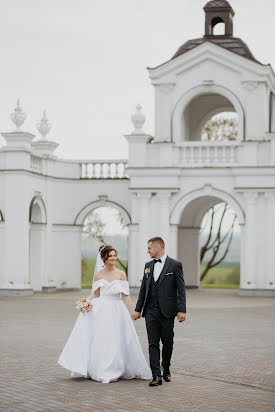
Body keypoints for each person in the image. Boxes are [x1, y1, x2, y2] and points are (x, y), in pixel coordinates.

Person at [58, 245, 152, 383]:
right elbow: (96, 293)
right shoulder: (98, 275)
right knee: (103, 339)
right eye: (110, 256)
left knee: (117, 338)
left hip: (117, 309)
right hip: (101, 309)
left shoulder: (121, 274)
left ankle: (118, 367)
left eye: (115, 255)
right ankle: (102, 368)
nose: (114, 258)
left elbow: (125, 296)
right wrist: (85, 302)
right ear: (103, 258)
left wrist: (132, 311)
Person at [131, 237, 186, 387]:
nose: (147, 251)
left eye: (149, 248)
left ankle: (166, 366)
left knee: (168, 343)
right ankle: (156, 375)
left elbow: (181, 290)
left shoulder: (175, 265)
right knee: (152, 343)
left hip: (168, 312)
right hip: (150, 311)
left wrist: (182, 310)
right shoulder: (148, 266)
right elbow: (143, 289)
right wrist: (137, 309)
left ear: (158, 248)